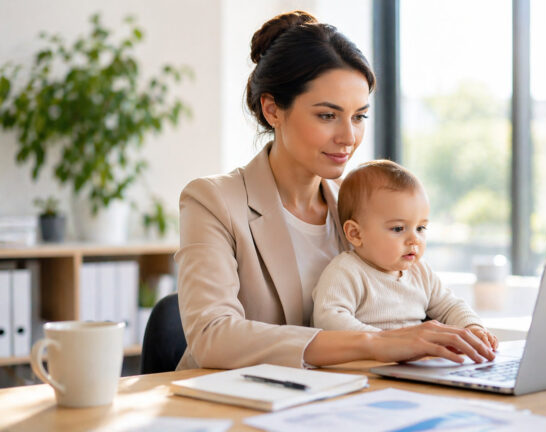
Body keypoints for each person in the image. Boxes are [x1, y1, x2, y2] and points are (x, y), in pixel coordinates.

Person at [175, 10, 496, 371]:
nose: (349, 137)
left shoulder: (363, 203)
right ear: (272, 110)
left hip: (345, 392)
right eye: (327, 116)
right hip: (232, 397)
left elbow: (418, 291)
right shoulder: (213, 201)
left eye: (359, 116)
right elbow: (212, 336)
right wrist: (376, 343)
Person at [312, 160, 499, 351]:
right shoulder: (346, 271)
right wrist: (384, 341)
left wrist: (472, 327)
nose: (414, 239)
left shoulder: (421, 271)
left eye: (420, 228)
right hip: (369, 361)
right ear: (356, 234)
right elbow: (328, 319)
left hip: (414, 360)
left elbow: (450, 306)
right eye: (398, 228)